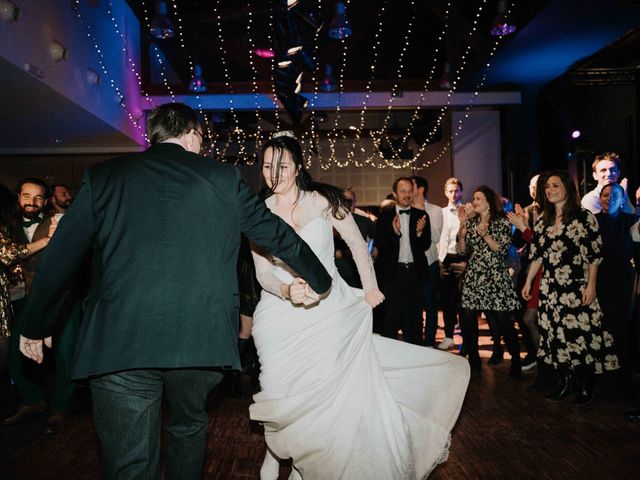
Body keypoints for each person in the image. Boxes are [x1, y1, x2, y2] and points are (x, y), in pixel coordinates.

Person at [17, 103, 332, 480]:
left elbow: (62, 255)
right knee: (188, 426)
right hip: (199, 337)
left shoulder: (104, 177)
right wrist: (322, 280)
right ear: (191, 134)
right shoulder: (224, 179)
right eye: (201, 138)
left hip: (121, 338)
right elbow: (277, 236)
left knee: (130, 460)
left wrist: (35, 323)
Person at [249, 132, 470, 480]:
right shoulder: (257, 212)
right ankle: (276, 447)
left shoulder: (323, 201)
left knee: (321, 389)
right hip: (277, 310)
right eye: (266, 166)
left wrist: (370, 288)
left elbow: (355, 244)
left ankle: (308, 461)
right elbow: (262, 272)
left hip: (327, 308)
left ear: (298, 167)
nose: (274, 174)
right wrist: (286, 288)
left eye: (283, 166)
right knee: (278, 387)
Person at [523, 170, 619, 407]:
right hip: (550, 288)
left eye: (555, 185)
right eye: (547, 187)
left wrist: (591, 286)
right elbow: (537, 255)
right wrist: (528, 282)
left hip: (575, 287)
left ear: (567, 188)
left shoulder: (583, 217)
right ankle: (566, 382)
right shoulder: (544, 219)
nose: (550, 190)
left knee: (580, 337)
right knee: (556, 337)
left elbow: (594, 255)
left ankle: (586, 385)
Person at [457, 186, 522, 376]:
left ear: (488, 202)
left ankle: (516, 359)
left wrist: (485, 235)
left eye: (478, 199)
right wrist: (462, 228)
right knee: (467, 317)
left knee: (503, 322)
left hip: (494, 276)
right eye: (474, 198)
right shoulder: (471, 221)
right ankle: (474, 359)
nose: (474, 202)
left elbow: (501, 251)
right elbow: (462, 251)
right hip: (475, 275)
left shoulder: (501, 222)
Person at [0, 185, 55, 378]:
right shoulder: (9, 224)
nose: (32, 202)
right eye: (26, 196)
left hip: (51, 296)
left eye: (38, 198)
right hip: (17, 298)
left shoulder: (57, 222)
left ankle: (57, 403)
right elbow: (8, 254)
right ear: (17, 198)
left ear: (45, 201)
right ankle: (30, 397)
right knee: (13, 349)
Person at [375, 177, 430, 345]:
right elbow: (382, 248)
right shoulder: (384, 217)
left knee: (414, 319)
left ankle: (414, 356)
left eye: (409, 191)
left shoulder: (422, 215)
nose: (407, 195)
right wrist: (394, 232)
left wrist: (420, 233)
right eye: (402, 191)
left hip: (414, 273)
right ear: (395, 194)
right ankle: (391, 359)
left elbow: (425, 245)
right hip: (393, 274)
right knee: (391, 318)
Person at [595, 183, 639, 370]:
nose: (609, 198)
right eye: (605, 195)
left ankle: (623, 367)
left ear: (622, 200)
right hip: (598, 277)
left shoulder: (631, 221)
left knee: (621, 323)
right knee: (601, 322)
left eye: (615, 196)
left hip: (623, 279)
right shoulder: (591, 221)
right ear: (599, 198)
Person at [411, 176, 443, 347]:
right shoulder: (405, 210)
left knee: (430, 305)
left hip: (429, 262)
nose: (409, 189)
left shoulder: (435, 210)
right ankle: (415, 341)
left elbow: (436, 237)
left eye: (412, 186)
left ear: (421, 189)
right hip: (411, 263)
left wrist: (423, 215)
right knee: (414, 304)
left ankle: (430, 341)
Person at [437, 178, 466, 351]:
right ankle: (448, 337)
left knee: (463, 303)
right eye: (450, 191)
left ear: (461, 192)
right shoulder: (440, 212)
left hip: (462, 259)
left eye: (456, 191)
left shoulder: (468, 211)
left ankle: (467, 341)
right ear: (445, 192)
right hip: (445, 259)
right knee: (447, 302)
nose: (454, 194)